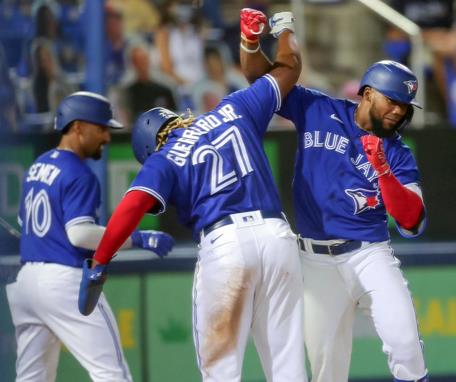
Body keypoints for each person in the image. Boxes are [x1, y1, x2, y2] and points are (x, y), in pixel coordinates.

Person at [80, 10, 306, 382]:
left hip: (226, 245)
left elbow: (133, 204)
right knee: (287, 368)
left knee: (221, 372)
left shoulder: (163, 157)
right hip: (277, 238)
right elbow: (287, 71)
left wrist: (100, 261)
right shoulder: (233, 107)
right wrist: (280, 29)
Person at [241, 11, 429, 382]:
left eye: (404, 106)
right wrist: (250, 43)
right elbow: (262, 82)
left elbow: (413, 221)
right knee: (326, 368)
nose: (398, 111)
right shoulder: (317, 108)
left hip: (369, 254)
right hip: (313, 261)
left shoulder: (398, 152)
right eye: (391, 101)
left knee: (406, 344)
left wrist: (384, 171)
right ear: (367, 93)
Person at [5, 91, 174, 381]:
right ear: (78, 126)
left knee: (31, 377)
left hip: (26, 283)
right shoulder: (79, 173)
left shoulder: (37, 166)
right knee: (111, 373)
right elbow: (80, 234)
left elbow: (24, 222)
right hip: (62, 281)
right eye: (101, 128)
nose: (107, 137)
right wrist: (140, 239)